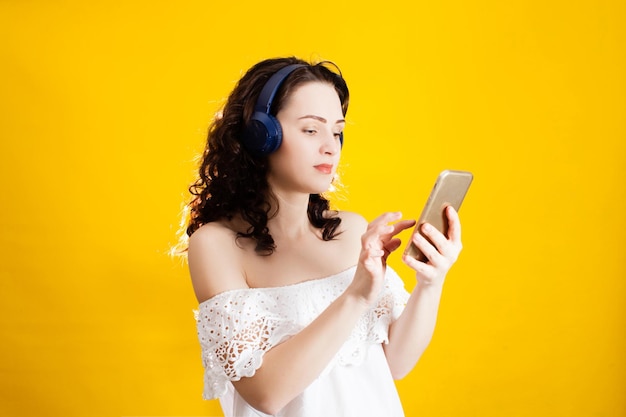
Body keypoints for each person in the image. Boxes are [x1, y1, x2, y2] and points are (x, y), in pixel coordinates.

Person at [184, 57, 463, 417]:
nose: (331, 146)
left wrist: (430, 282)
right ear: (261, 135)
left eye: (337, 130)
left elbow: (395, 364)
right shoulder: (216, 245)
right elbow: (266, 393)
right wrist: (357, 294)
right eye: (311, 130)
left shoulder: (352, 232)